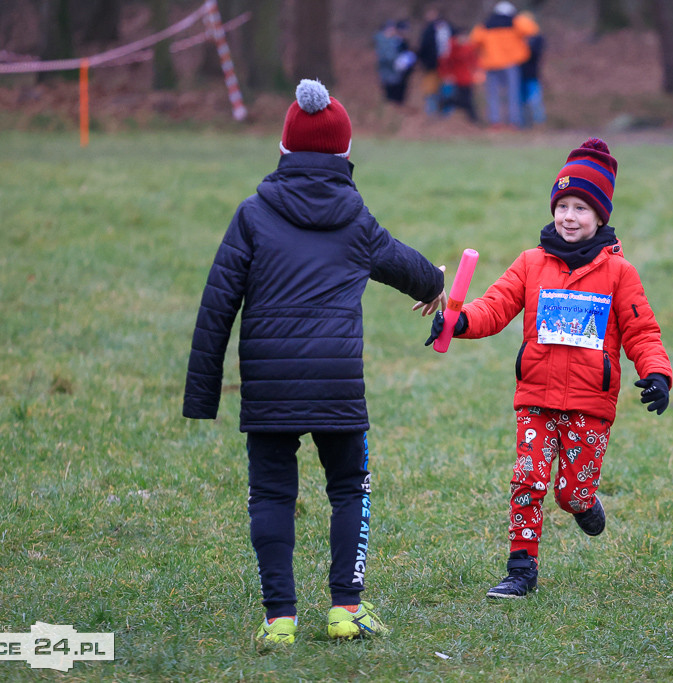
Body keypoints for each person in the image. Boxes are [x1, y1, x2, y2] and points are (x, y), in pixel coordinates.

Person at [183, 79, 447, 644]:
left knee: (271, 494)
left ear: (282, 150)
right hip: (336, 384)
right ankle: (345, 610)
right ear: (346, 156)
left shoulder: (253, 215)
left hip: (269, 384)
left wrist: (201, 396)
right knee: (350, 485)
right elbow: (406, 265)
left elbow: (216, 306)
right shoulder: (355, 219)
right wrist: (436, 282)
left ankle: (280, 619)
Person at [425, 138, 673, 598]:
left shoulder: (620, 274)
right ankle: (521, 569)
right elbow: (495, 307)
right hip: (535, 397)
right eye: (562, 205)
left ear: (600, 216)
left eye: (581, 207)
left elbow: (642, 332)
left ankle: (584, 503)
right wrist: (457, 323)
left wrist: (657, 373)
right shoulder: (530, 264)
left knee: (569, 492)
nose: (569, 216)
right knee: (528, 480)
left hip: (589, 404)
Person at [469, 1, 539, 129]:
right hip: (510, 63)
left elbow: (474, 40)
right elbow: (531, 29)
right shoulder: (515, 22)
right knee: (513, 93)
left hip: (491, 64)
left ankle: (495, 122)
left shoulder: (486, 25)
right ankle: (514, 122)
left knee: (493, 94)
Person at [438, 28, 479, 123]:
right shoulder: (451, 47)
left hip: (467, 77)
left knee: (466, 99)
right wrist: (446, 74)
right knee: (466, 100)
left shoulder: (469, 47)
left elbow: (474, 60)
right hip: (456, 77)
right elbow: (445, 61)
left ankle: (447, 102)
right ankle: (473, 119)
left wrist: (476, 71)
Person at [417, 6, 453, 116]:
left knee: (442, 90)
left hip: (443, 65)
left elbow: (423, 47)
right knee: (431, 90)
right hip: (433, 66)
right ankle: (434, 114)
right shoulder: (447, 28)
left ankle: (443, 114)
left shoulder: (430, 30)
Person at [374, 20, 417, 105]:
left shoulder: (396, 41)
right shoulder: (384, 41)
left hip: (397, 74)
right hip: (389, 73)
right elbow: (385, 57)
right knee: (390, 95)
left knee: (397, 95)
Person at [518, 16, 545, 127]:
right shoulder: (516, 39)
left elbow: (534, 54)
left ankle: (539, 123)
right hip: (520, 76)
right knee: (522, 102)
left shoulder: (537, 39)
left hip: (532, 75)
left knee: (535, 101)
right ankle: (524, 123)